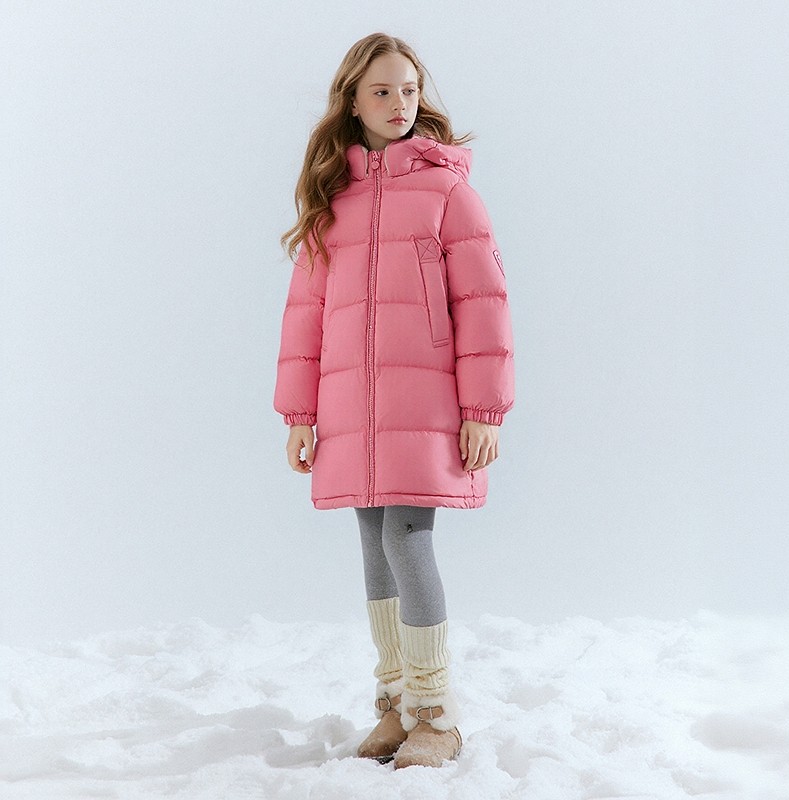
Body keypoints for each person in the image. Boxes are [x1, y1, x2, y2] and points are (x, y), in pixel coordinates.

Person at [273, 32, 514, 769]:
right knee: (374, 544)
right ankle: (395, 701)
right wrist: (300, 414)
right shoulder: (334, 200)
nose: (399, 103)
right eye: (381, 91)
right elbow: (306, 315)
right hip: (353, 405)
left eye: (409, 89)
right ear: (352, 101)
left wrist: (484, 409)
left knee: (407, 540)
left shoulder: (448, 192)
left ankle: (435, 712)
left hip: (427, 403)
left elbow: (483, 305)